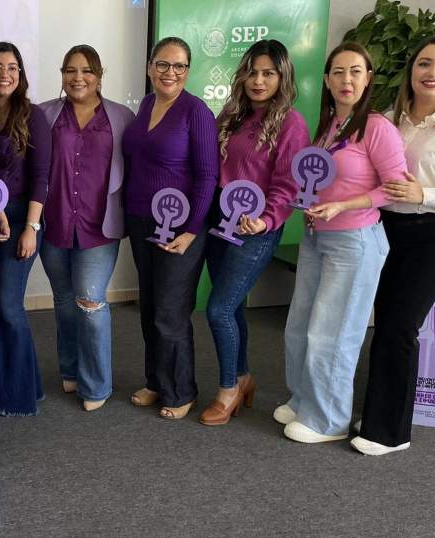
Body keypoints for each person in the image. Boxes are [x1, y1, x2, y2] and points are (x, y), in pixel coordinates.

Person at [354, 35, 435, 455]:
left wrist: (423, 194)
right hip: (387, 229)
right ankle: (377, 412)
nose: (434, 73)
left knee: (399, 327)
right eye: (425, 63)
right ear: (411, 70)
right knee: (382, 324)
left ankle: (390, 433)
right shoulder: (392, 119)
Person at [277, 43, 407, 444]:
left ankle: (328, 419)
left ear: (368, 78)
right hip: (318, 236)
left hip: (355, 240)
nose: (345, 79)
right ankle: (304, 399)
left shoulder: (378, 128)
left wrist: (343, 205)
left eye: (355, 71)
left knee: (332, 333)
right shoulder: (328, 124)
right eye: (337, 72)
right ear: (328, 80)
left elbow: (396, 188)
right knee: (299, 327)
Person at [199, 40, 308, 426]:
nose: (259, 81)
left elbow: (288, 184)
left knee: (218, 308)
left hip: (255, 230)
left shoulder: (290, 123)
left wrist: (265, 219)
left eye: (269, 73)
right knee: (235, 307)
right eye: (253, 72)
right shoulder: (231, 114)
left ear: (282, 77)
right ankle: (243, 378)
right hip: (219, 223)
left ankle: (228, 387)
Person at [123, 37, 219, 420]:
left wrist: (193, 229)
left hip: (181, 226)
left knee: (170, 310)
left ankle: (181, 390)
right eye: (163, 64)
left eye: (179, 66)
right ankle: (157, 381)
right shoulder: (146, 104)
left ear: (188, 71)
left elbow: (208, 175)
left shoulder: (196, 112)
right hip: (142, 220)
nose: (170, 73)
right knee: (149, 305)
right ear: (150, 67)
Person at [38, 45, 135, 411]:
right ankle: (71, 369)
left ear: (99, 75)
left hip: (99, 226)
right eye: (70, 70)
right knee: (64, 303)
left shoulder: (121, 117)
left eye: (87, 71)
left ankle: (96, 385)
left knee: (91, 303)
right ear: (62, 74)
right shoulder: (45, 114)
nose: (78, 78)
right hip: (54, 223)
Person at [0, 41, 51, 416]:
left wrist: (31, 227)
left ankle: (17, 398)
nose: (5, 74)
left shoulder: (33, 115)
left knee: (7, 304)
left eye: (13, 67)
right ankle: (18, 386)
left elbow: (41, 177)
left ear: (20, 75)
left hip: (20, 217)